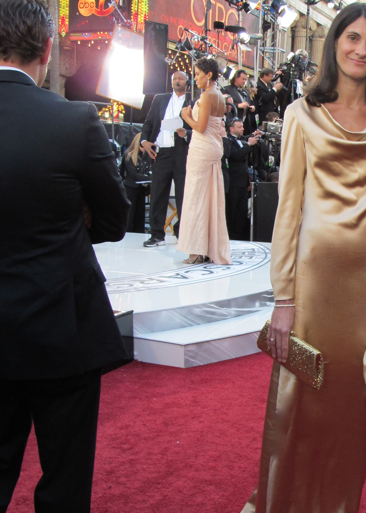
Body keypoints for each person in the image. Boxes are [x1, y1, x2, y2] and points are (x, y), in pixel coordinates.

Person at [242, 4, 366, 512]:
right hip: (314, 287)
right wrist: (283, 297)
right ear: (334, 41)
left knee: (350, 418)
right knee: (296, 409)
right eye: (352, 37)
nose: (361, 49)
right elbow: (288, 212)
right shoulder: (300, 114)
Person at [0, 1, 130, 510]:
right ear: (48, 49)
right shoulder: (75, 121)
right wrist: (66, 224)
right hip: (64, 326)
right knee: (66, 477)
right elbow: (116, 221)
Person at [176, 57, 232, 265]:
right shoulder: (219, 95)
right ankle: (207, 247)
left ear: (209, 75)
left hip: (203, 148)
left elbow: (199, 127)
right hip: (213, 146)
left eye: (198, 74)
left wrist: (186, 116)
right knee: (210, 197)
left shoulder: (208, 95)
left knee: (195, 198)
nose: (195, 78)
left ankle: (196, 250)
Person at [140, 71, 192, 247]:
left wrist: (187, 134)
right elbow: (148, 123)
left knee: (183, 194)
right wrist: (144, 141)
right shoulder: (160, 99)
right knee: (157, 193)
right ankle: (156, 235)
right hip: (160, 151)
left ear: (187, 81)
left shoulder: (193, 101)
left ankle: (183, 234)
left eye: (181, 79)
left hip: (181, 152)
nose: (177, 81)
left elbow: (201, 127)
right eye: (174, 79)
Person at [226, 118, 259, 241]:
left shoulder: (242, 140)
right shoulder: (229, 141)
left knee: (242, 211)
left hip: (243, 183)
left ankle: (240, 236)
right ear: (231, 129)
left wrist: (255, 135)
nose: (242, 129)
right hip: (233, 182)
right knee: (233, 211)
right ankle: (231, 236)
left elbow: (246, 140)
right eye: (239, 127)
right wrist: (249, 144)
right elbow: (236, 154)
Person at [120, 133, 152, 233]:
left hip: (142, 189)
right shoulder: (129, 155)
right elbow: (133, 174)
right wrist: (151, 178)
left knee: (140, 216)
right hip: (131, 189)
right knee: (130, 216)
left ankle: (139, 233)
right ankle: (128, 234)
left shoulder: (146, 156)